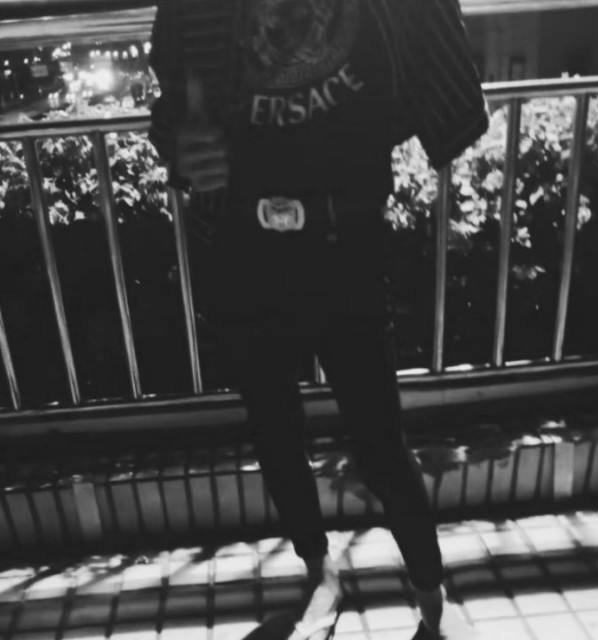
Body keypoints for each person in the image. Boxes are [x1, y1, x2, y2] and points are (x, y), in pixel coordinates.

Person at [148, 0, 488, 638]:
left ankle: (432, 597)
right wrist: (183, 150)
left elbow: (445, 102)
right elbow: (172, 110)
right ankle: (319, 574)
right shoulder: (195, 10)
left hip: (345, 243)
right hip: (242, 248)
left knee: (381, 445)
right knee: (276, 437)